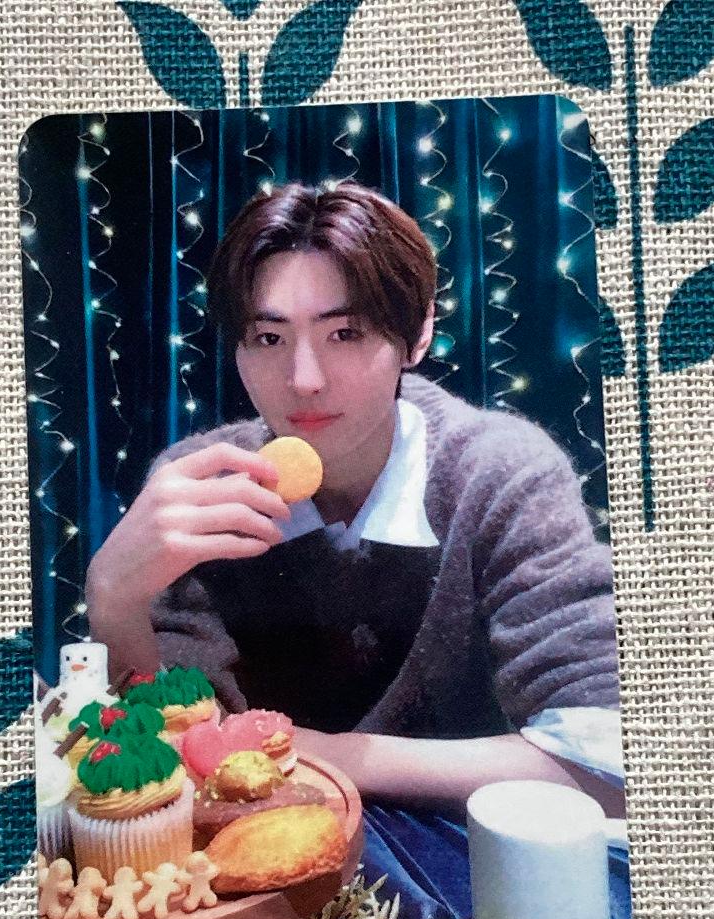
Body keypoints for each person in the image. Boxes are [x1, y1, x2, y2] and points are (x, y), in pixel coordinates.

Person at [85, 179, 624, 825]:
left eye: (345, 333)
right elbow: (169, 753)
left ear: (417, 334)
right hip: (253, 849)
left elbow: (606, 757)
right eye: (268, 338)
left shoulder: (497, 474)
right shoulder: (202, 487)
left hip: (456, 854)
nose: (304, 380)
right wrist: (114, 597)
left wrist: (326, 754)